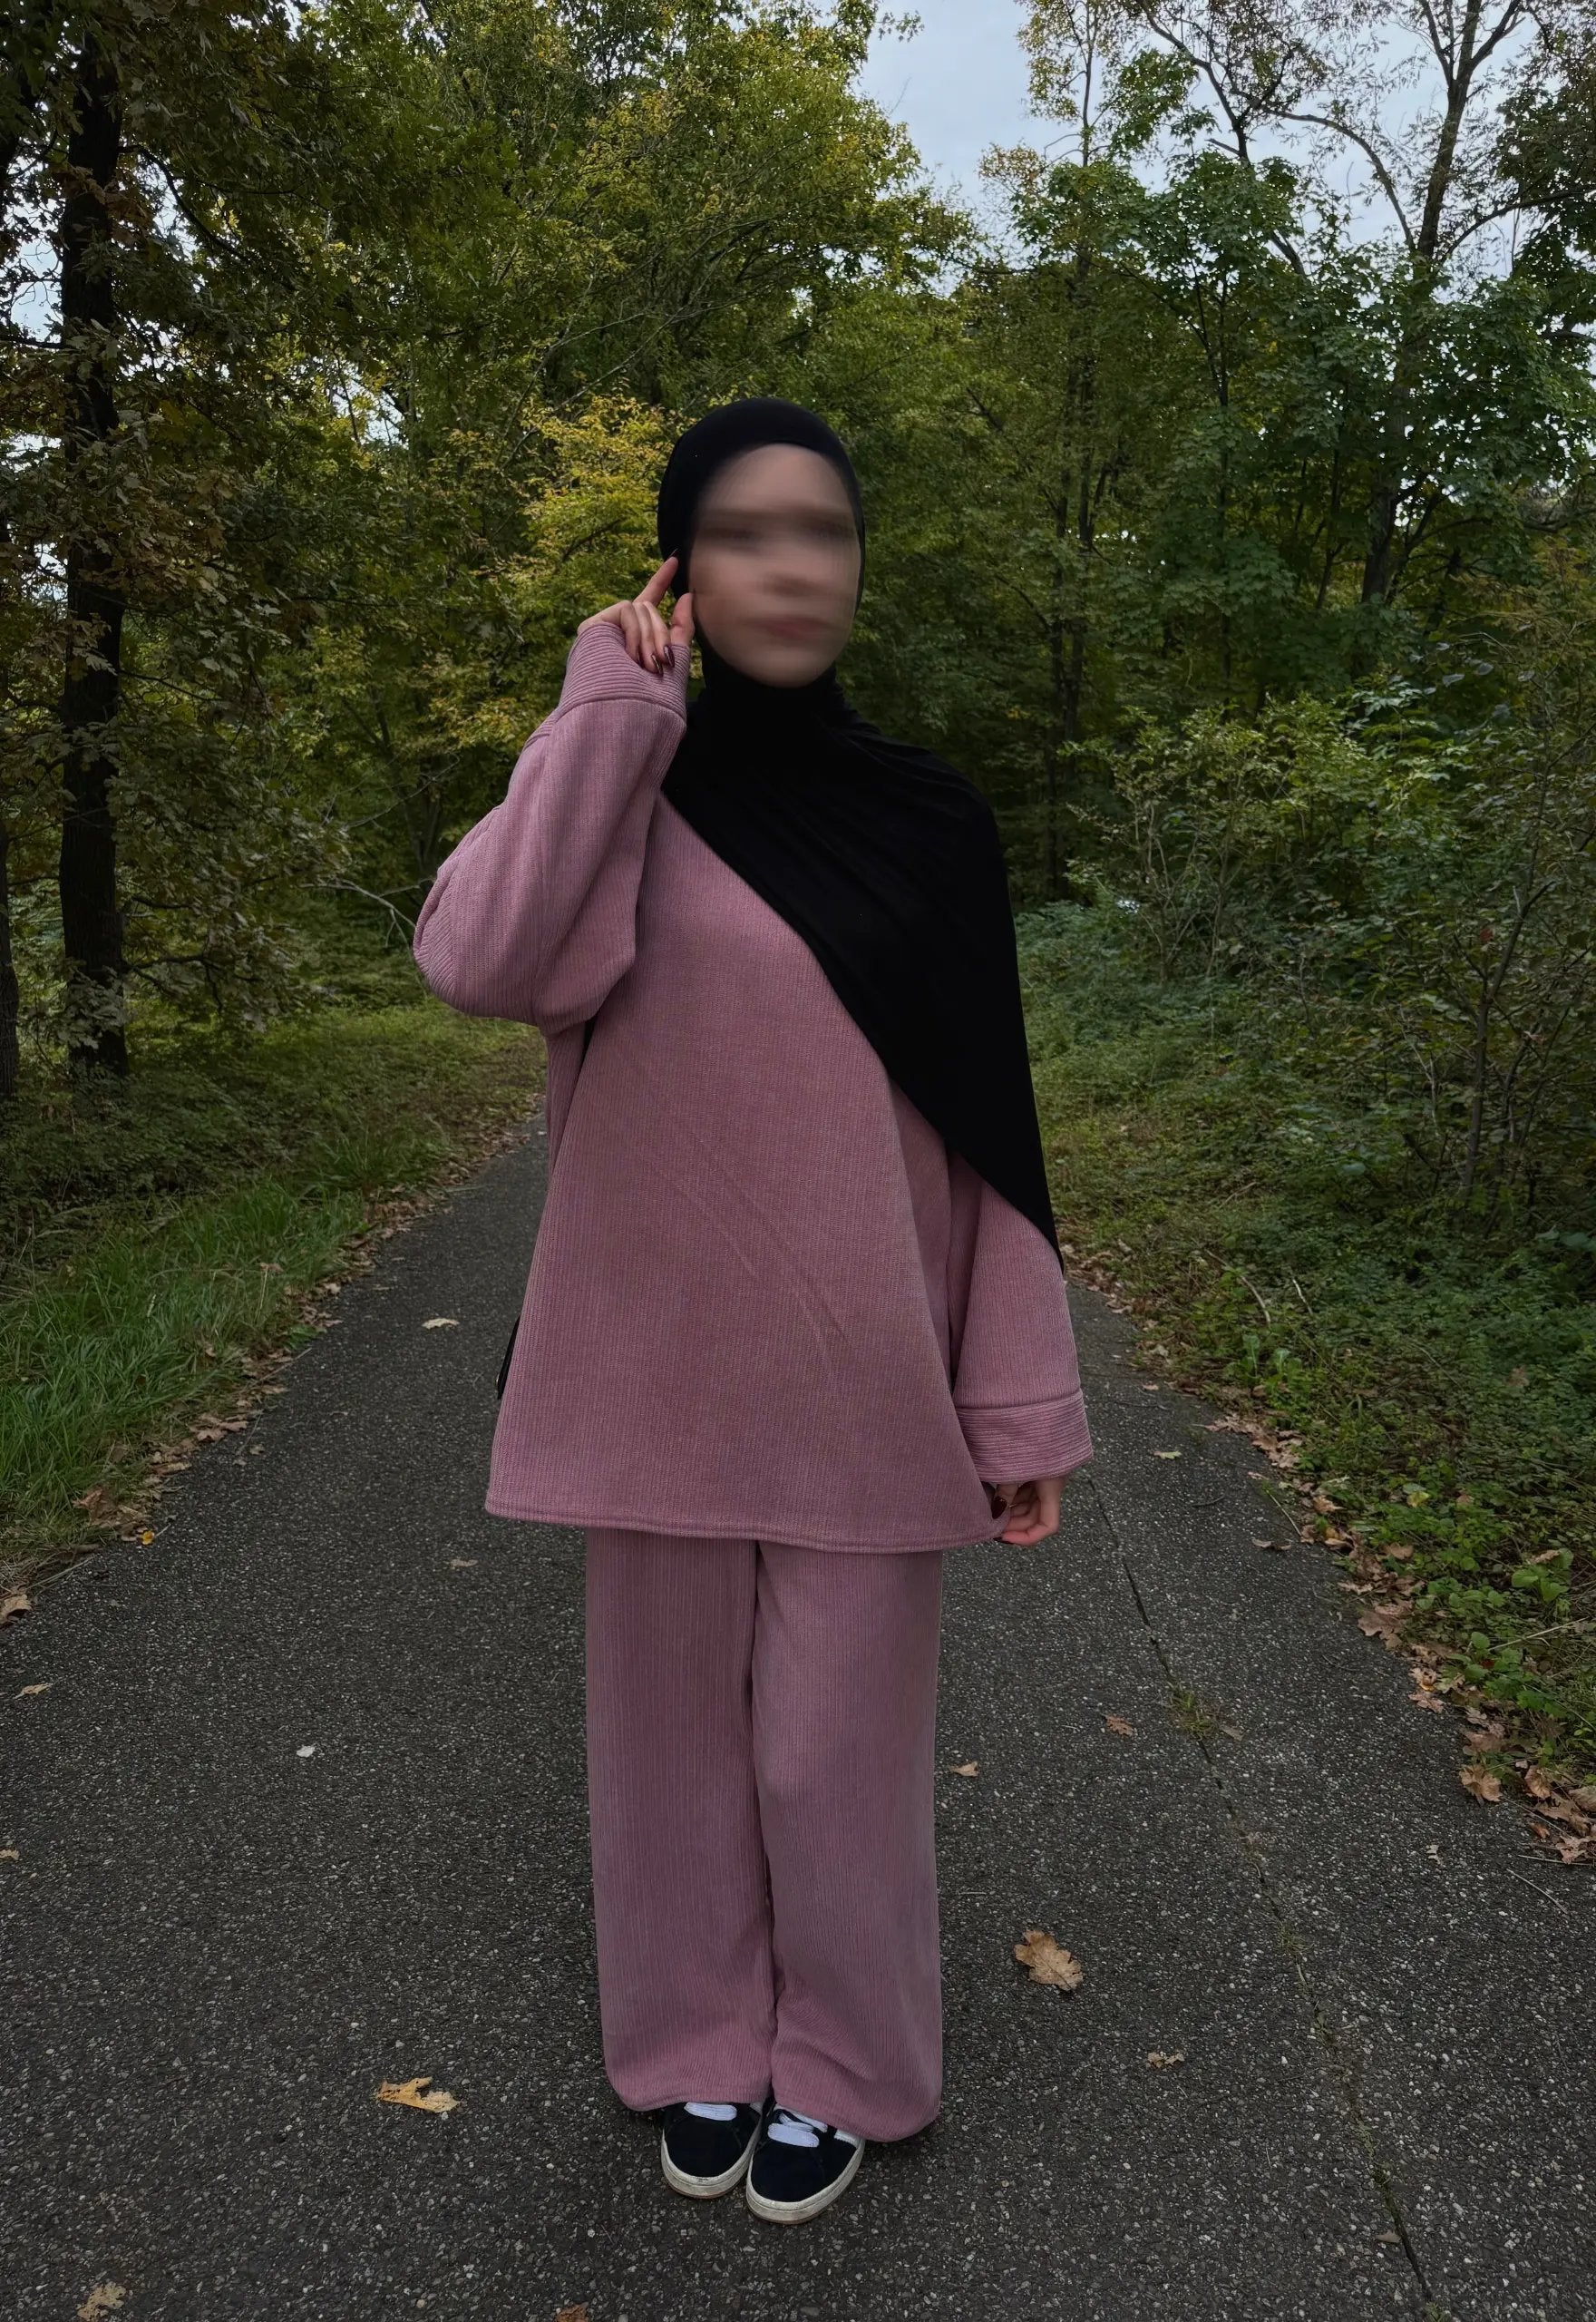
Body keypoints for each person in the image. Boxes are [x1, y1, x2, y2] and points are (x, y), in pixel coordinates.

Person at [412, 396, 1094, 2225]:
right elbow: (482, 958)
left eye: (823, 531)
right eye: (742, 532)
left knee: (831, 1758)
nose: (792, 565)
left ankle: (853, 2060)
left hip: (866, 1380)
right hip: (649, 1372)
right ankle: (695, 2038)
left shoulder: (932, 824)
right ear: (681, 570)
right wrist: (603, 709)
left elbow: (990, 1131)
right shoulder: (621, 786)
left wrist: (1015, 1401)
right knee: (668, 1758)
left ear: (859, 567)